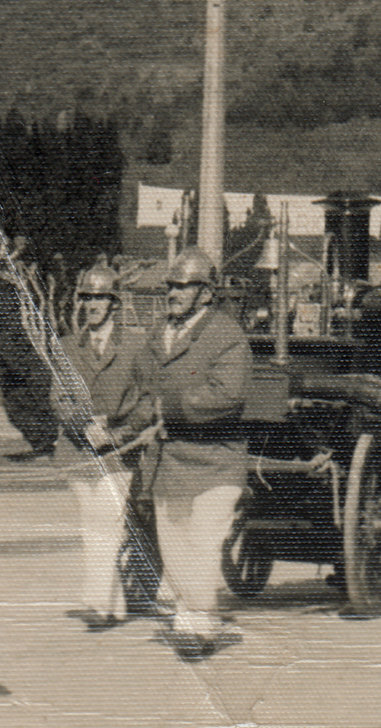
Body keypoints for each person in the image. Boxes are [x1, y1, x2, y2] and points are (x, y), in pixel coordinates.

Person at [135, 249, 253, 661]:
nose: (173, 292)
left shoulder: (227, 335)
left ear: (206, 292)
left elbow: (228, 394)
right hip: (171, 461)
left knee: (203, 541)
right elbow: (139, 384)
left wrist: (168, 409)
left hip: (216, 459)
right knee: (175, 544)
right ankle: (191, 615)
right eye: (170, 285)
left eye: (182, 286)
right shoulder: (158, 334)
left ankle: (200, 623)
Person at [51, 262, 153, 631]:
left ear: (114, 303)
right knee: (90, 524)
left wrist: (118, 432)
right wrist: (83, 425)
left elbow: (147, 400)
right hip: (77, 450)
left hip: (119, 451)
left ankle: (95, 601)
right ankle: (115, 605)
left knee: (106, 523)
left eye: (100, 297)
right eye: (87, 297)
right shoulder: (65, 346)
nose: (92, 304)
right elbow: (60, 398)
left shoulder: (136, 346)